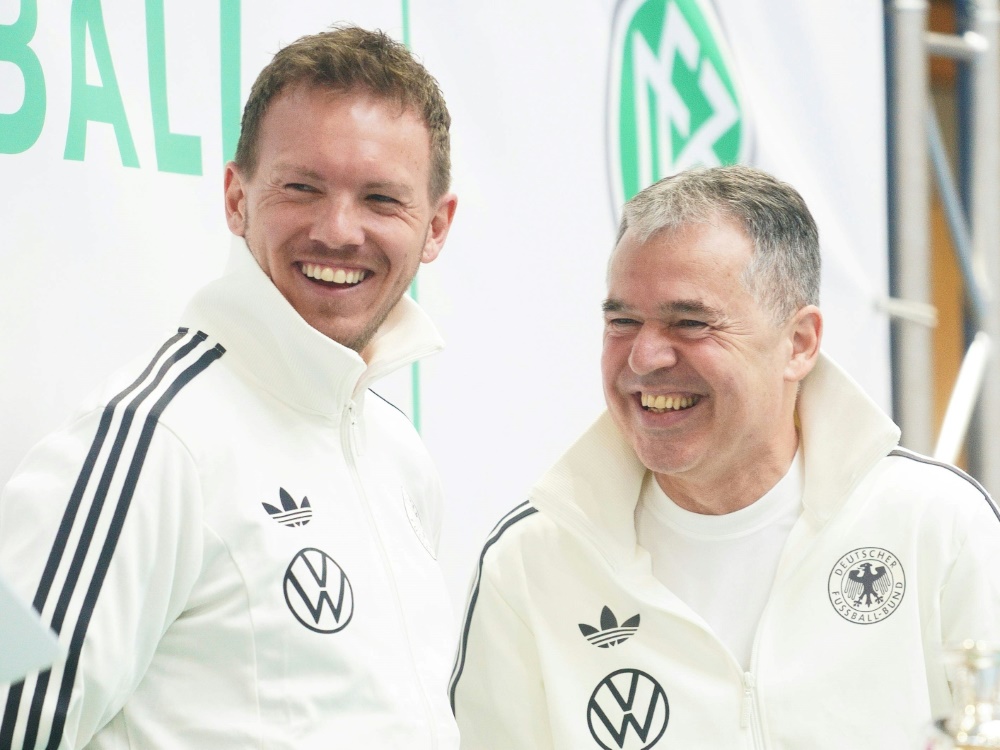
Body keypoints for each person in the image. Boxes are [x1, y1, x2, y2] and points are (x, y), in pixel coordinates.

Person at [0, 25, 459, 749]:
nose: (339, 230)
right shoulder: (156, 440)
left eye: (380, 199)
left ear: (436, 226)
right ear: (236, 198)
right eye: (302, 187)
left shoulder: (399, 456)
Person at [450, 165, 1000, 749]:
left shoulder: (939, 527)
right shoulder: (533, 564)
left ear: (799, 343)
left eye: (690, 322)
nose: (644, 356)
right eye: (622, 321)